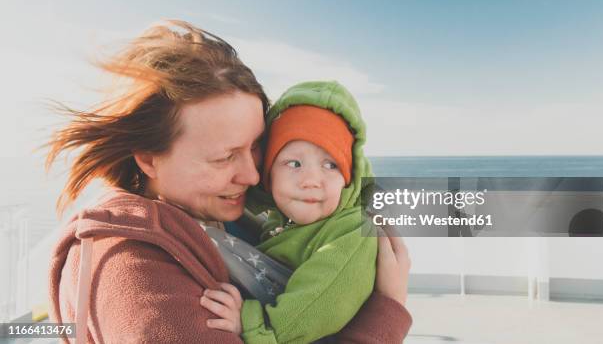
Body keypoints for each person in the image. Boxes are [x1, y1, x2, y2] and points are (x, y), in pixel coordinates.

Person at [46, 20, 412, 343]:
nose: (253, 175)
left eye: (256, 147)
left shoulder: (232, 212)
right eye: (224, 157)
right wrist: (387, 311)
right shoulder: (130, 271)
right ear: (148, 158)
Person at [202, 81, 379, 343]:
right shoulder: (278, 218)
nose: (311, 180)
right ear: (268, 174)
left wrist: (252, 323)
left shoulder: (350, 233)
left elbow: (319, 303)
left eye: (331, 165)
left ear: (348, 179)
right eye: (294, 163)